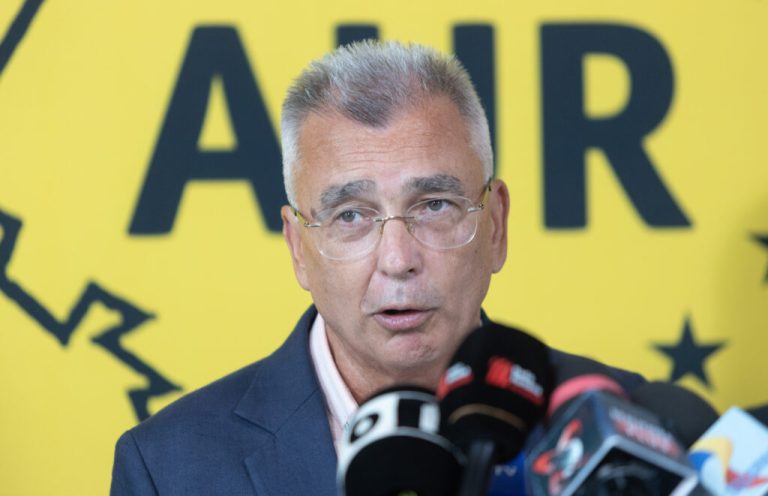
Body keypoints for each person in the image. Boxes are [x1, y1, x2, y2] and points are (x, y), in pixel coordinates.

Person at [110, 40, 643, 495]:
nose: (397, 260)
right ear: (298, 247)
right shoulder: (169, 467)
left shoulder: (627, 426)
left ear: (496, 225)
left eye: (434, 205)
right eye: (350, 215)